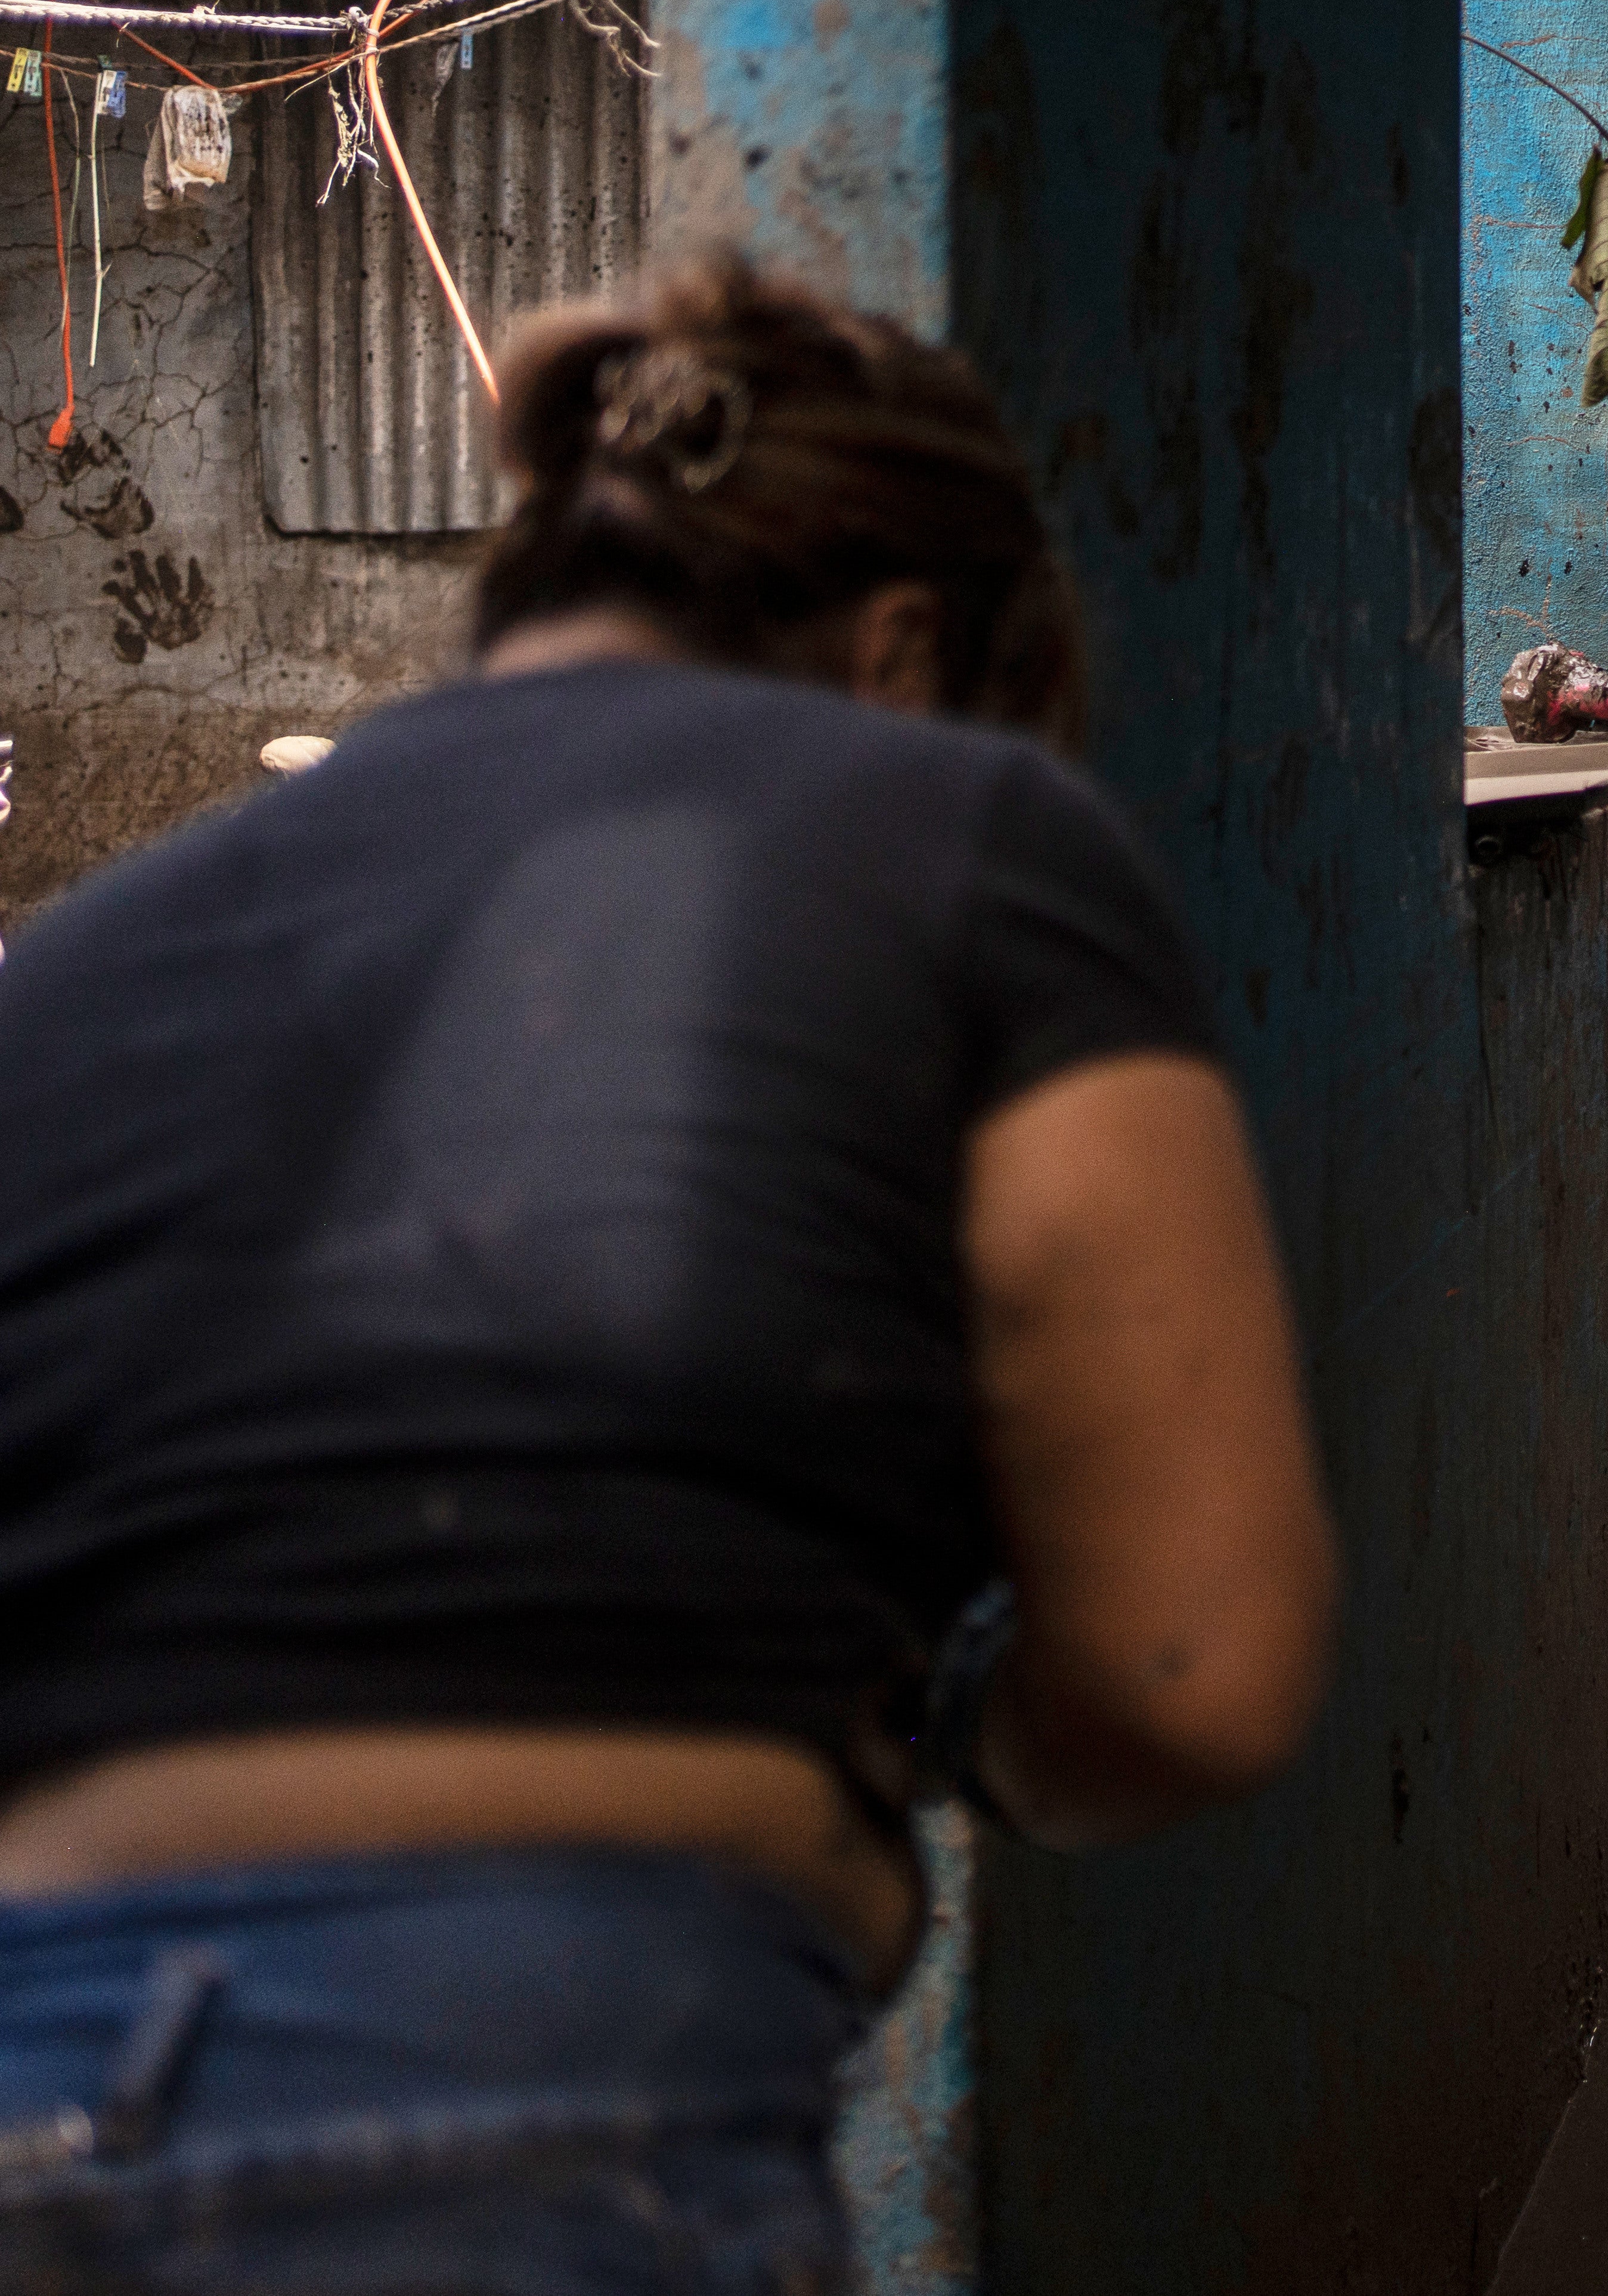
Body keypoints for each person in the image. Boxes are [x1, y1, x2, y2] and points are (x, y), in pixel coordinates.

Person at [0, 258, 1337, 2283]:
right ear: (904, 649)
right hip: (522, 2104)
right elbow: (1192, 1675)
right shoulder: (960, 832)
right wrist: (955, 1705)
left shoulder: (89, 955)